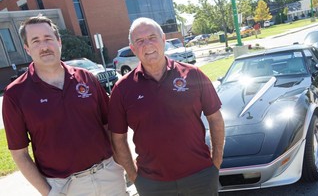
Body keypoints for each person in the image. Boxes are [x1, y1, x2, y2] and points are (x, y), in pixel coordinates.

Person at [2, 14, 128, 196]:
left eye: (48, 38)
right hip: (64, 187)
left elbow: (110, 127)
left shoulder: (86, 78)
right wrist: (49, 192)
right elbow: (19, 154)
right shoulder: (15, 94)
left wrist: (119, 166)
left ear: (59, 41)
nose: (44, 46)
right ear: (27, 48)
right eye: (35, 41)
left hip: (108, 176)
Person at [108, 17, 225, 196]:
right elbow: (118, 139)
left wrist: (215, 163)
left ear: (163, 39)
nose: (147, 45)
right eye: (139, 41)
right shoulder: (122, 89)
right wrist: (135, 177)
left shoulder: (193, 75)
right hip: (153, 185)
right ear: (132, 48)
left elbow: (215, 119)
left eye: (152, 37)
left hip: (200, 177)